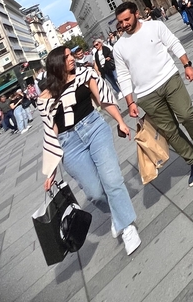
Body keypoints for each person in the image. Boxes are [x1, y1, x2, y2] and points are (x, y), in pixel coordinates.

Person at [37, 46, 141, 255]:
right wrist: (52, 169)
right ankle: (116, 214)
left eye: (71, 55)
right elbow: (51, 132)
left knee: (112, 181)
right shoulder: (45, 98)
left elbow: (103, 99)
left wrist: (120, 121)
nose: (71, 59)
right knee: (94, 193)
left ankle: (127, 226)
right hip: (69, 144)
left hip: (94, 128)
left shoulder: (85, 74)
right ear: (56, 64)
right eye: (66, 57)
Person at [113, 2, 193, 187]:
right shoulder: (119, 47)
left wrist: (186, 64)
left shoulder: (155, 26)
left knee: (186, 114)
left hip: (169, 78)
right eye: (120, 22)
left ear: (136, 14)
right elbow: (123, 75)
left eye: (126, 19)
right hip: (146, 95)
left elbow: (173, 43)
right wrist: (130, 102)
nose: (124, 24)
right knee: (170, 132)